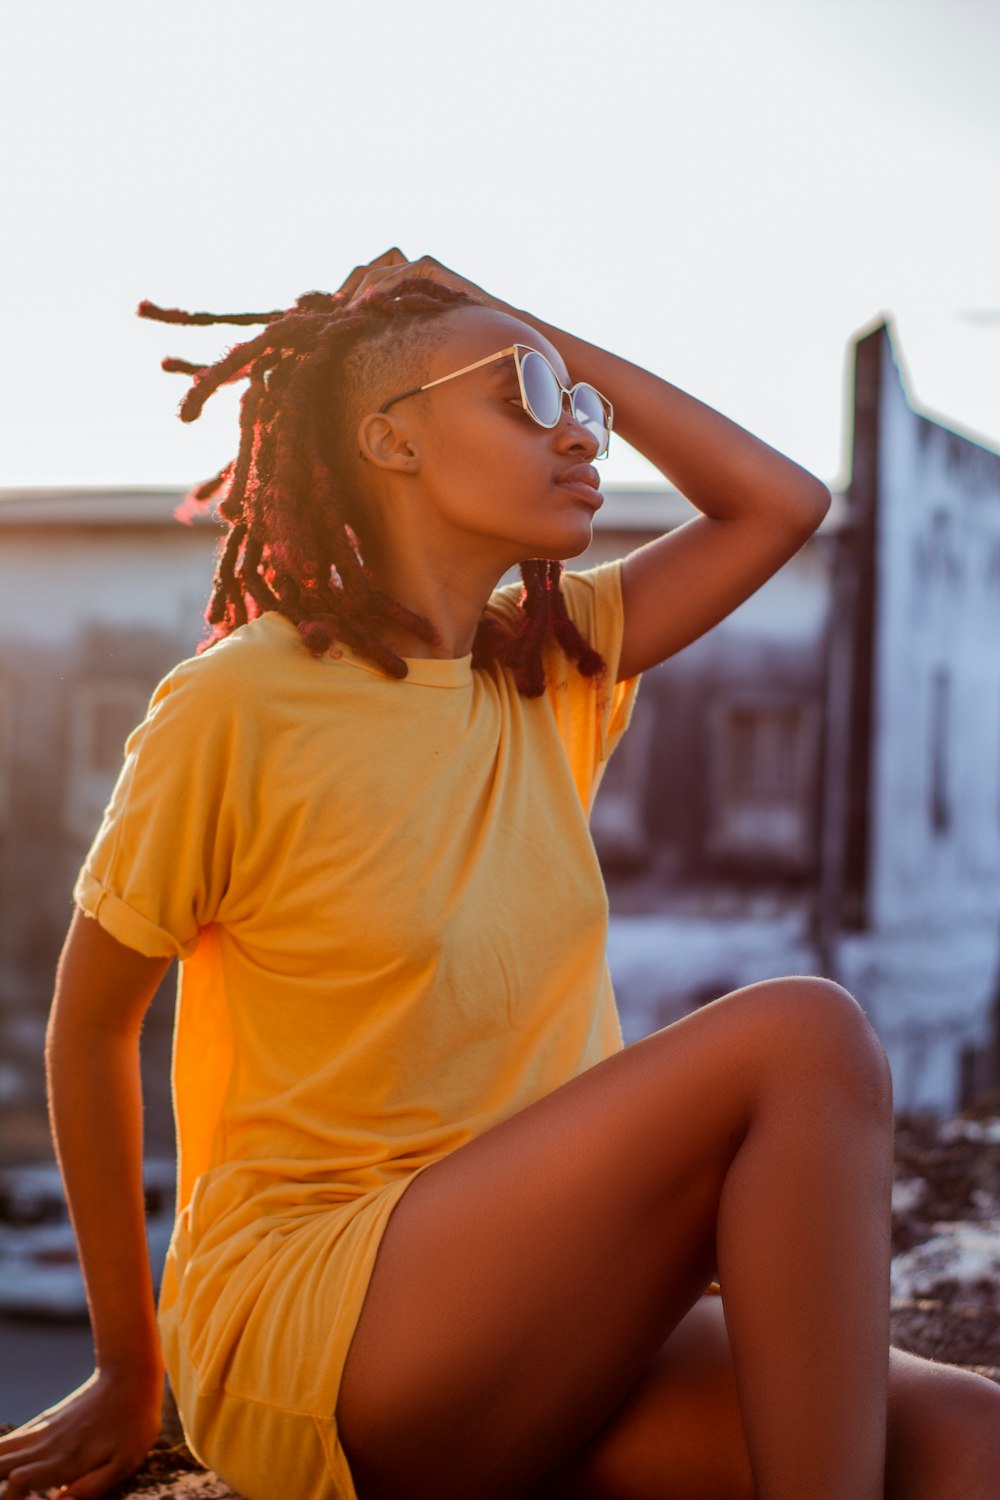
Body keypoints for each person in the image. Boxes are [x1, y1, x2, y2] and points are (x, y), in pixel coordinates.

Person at [1, 248, 997, 1500]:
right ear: (391, 440)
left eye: (576, 401)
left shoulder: (550, 669)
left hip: (541, 1303)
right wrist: (125, 1368)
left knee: (966, 1438)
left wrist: (539, 339)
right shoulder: (236, 703)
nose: (581, 432)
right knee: (804, 1035)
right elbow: (90, 1024)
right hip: (326, 1323)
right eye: (524, 392)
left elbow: (779, 505)